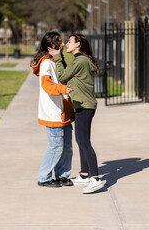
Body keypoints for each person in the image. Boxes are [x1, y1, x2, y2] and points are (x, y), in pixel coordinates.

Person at [48, 33, 105, 194]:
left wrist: (58, 57)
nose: (66, 44)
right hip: (82, 105)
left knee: (83, 141)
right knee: (81, 141)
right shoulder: (80, 60)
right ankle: (84, 174)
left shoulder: (80, 61)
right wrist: (61, 56)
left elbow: (62, 77)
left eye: (70, 42)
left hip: (85, 106)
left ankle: (95, 179)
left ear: (78, 44)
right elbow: (69, 71)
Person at [31, 31, 75, 188]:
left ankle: (63, 175)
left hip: (63, 111)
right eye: (60, 42)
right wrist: (63, 89)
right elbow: (47, 86)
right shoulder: (45, 63)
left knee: (67, 146)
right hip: (53, 113)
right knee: (55, 146)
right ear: (51, 46)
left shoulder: (55, 60)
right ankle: (44, 177)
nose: (63, 44)